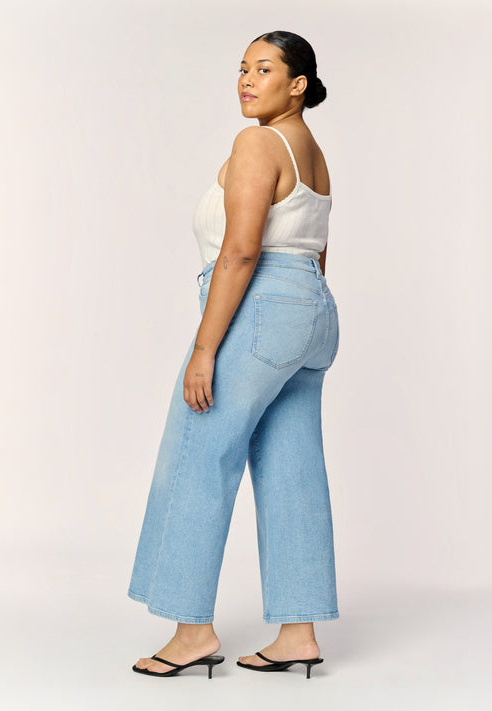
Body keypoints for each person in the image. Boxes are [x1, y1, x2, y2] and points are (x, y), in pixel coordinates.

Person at [128, 30, 340, 680]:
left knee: (197, 454)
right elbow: (316, 249)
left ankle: (190, 630)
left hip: (259, 306)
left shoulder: (257, 143)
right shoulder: (312, 152)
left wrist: (205, 348)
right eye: (243, 68)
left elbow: (242, 250)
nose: (247, 80)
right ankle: (298, 631)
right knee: (292, 466)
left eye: (264, 69)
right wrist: (296, 323)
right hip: (309, 310)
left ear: (297, 84)